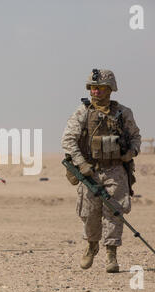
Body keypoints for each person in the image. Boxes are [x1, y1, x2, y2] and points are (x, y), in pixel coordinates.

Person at [61, 69, 141, 273]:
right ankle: (91, 245)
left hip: (115, 170)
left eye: (101, 88)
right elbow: (68, 140)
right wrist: (81, 163)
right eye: (93, 88)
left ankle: (111, 254)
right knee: (89, 213)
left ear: (110, 89)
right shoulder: (82, 112)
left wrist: (130, 153)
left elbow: (135, 137)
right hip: (90, 171)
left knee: (115, 211)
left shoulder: (123, 113)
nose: (96, 92)